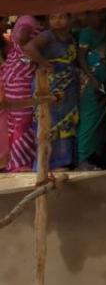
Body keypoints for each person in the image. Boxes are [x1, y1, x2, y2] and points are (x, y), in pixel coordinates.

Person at [24, 13, 82, 169]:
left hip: (68, 87)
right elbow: (29, 47)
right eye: (53, 17)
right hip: (50, 85)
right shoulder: (47, 36)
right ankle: (49, 164)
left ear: (70, 19)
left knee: (66, 124)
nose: (57, 20)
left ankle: (64, 161)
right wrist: (44, 63)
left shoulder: (70, 37)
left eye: (62, 17)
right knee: (49, 123)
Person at [3, 16, 43, 171]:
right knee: (23, 123)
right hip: (21, 78)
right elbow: (21, 37)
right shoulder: (28, 20)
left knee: (16, 124)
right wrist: (32, 57)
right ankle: (21, 165)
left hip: (14, 74)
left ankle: (18, 163)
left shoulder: (25, 19)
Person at [76, 10, 106, 168]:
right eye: (96, 14)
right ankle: (83, 157)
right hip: (92, 82)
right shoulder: (86, 33)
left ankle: (95, 155)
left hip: (104, 80)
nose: (100, 16)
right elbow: (81, 57)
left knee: (101, 121)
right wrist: (93, 79)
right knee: (89, 119)